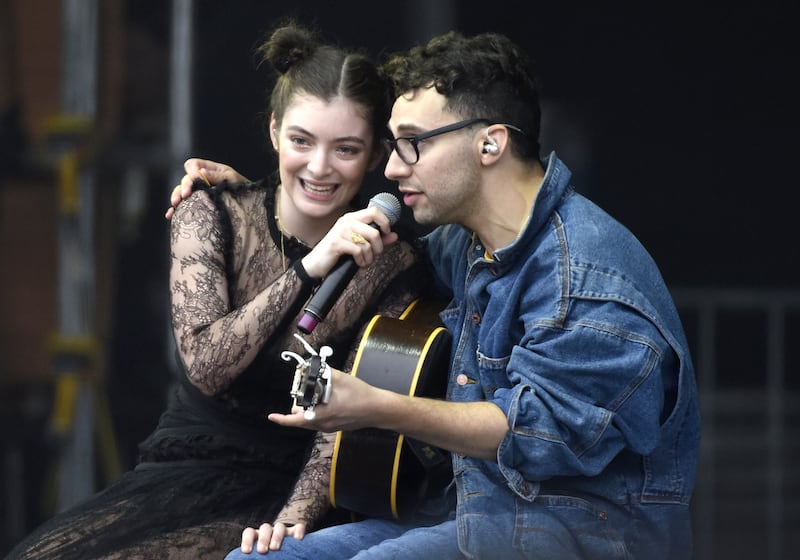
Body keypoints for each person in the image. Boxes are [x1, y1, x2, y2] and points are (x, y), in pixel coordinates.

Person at [176, 30, 701, 560]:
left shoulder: (584, 276)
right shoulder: (464, 242)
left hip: (578, 531)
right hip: (476, 512)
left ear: (489, 144)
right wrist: (263, 205)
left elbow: (536, 434)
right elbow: (378, 252)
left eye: (412, 143)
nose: (392, 167)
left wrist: (380, 407)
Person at [5, 22, 431, 560]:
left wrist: (291, 521)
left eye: (345, 149)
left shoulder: (392, 263)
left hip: (298, 485)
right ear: (274, 132)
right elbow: (207, 364)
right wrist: (309, 268)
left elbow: (348, 415)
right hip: (189, 469)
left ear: (373, 156)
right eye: (302, 141)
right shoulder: (211, 213)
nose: (319, 167)